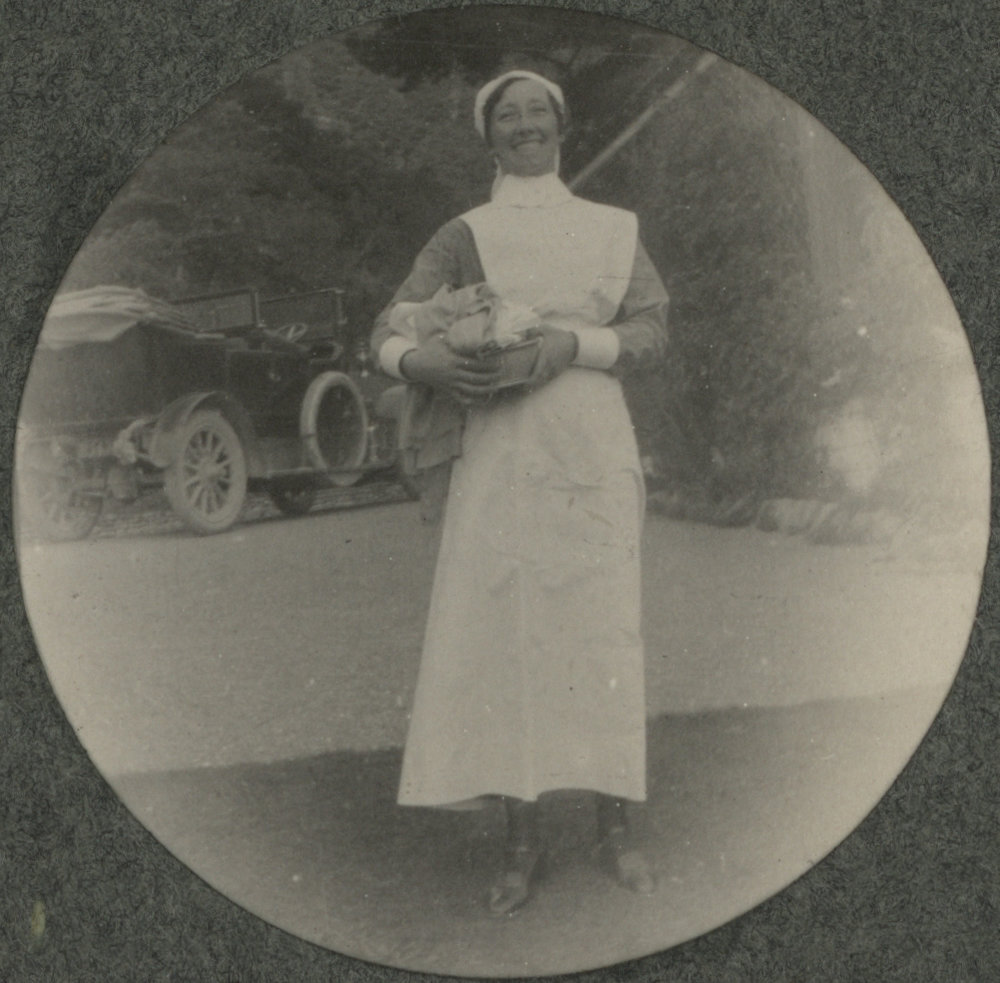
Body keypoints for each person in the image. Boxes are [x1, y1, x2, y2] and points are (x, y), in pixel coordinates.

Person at [371, 69, 669, 916]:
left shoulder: (613, 229)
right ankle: (522, 841)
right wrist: (424, 361)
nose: (526, 124)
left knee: (602, 630)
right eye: (508, 114)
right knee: (512, 636)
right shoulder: (466, 232)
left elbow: (651, 326)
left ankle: (616, 829)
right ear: (488, 135)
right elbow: (387, 327)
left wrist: (571, 345)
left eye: (539, 111)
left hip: (591, 446)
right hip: (499, 450)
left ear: (562, 126)